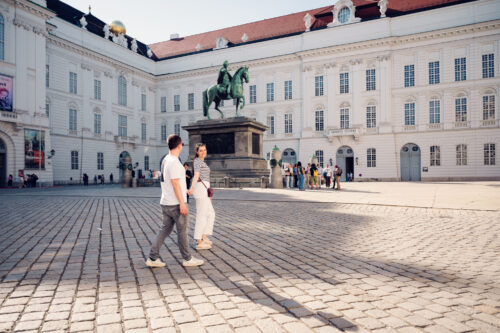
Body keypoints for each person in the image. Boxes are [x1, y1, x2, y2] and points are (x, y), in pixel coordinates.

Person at [146, 134, 203, 268]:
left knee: (165, 230)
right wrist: (182, 203)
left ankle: (153, 258)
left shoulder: (166, 159)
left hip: (165, 202)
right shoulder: (174, 162)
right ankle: (187, 259)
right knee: (182, 231)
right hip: (175, 204)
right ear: (179, 145)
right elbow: (175, 184)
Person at [187, 143, 216, 251]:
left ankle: (203, 236)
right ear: (197, 152)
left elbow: (206, 178)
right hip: (200, 188)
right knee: (202, 215)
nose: (203, 152)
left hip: (205, 189)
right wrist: (191, 188)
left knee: (211, 213)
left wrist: (209, 195)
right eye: (201, 150)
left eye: (204, 150)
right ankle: (198, 241)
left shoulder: (203, 162)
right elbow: (196, 176)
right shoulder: (197, 162)